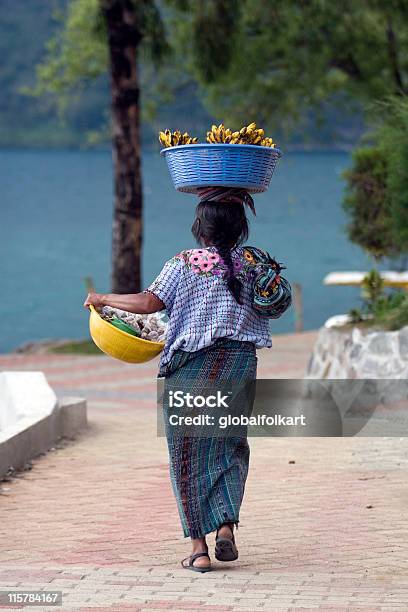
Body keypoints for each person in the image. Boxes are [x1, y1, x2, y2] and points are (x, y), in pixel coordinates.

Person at [84, 188, 274, 573]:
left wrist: (101, 298)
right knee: (229, 448)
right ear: (240, 228)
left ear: (201, 227)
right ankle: (225, 528)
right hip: (239, 365)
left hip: (191, 368)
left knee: (187, 457)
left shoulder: (185, 263)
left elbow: (148, 303)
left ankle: (199, 551)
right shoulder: (254, 265)